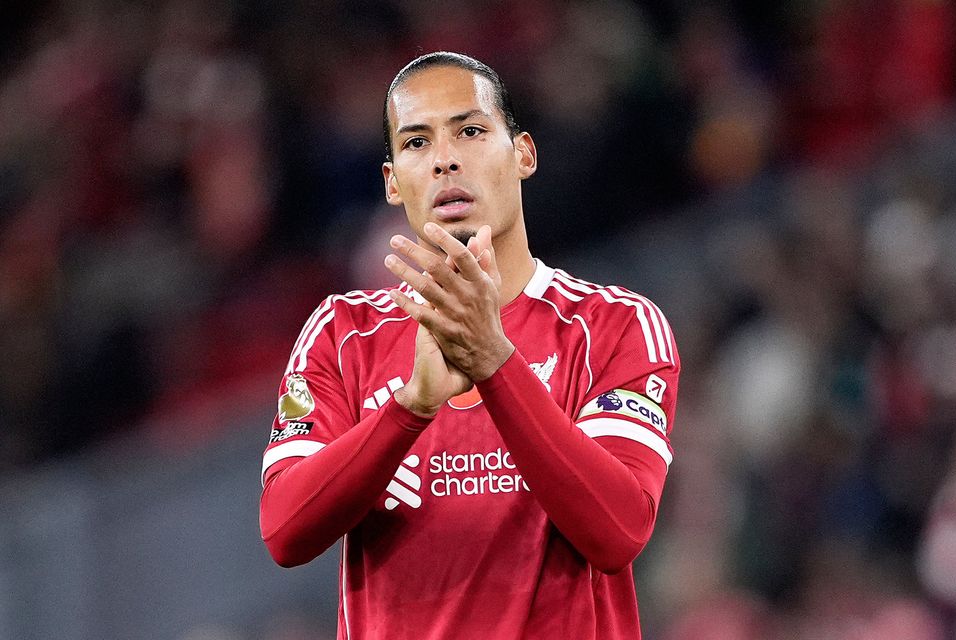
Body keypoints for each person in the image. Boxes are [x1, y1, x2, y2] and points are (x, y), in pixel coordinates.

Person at [259, 51, 681, 640]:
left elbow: (618, 531)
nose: (444, 160)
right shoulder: (343, 333)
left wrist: (494, 363)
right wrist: (408, 411)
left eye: (471, 131)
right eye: (416, 143)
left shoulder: (614, 325)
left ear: (524, 154)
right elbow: (284, 531)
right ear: (390, 182)